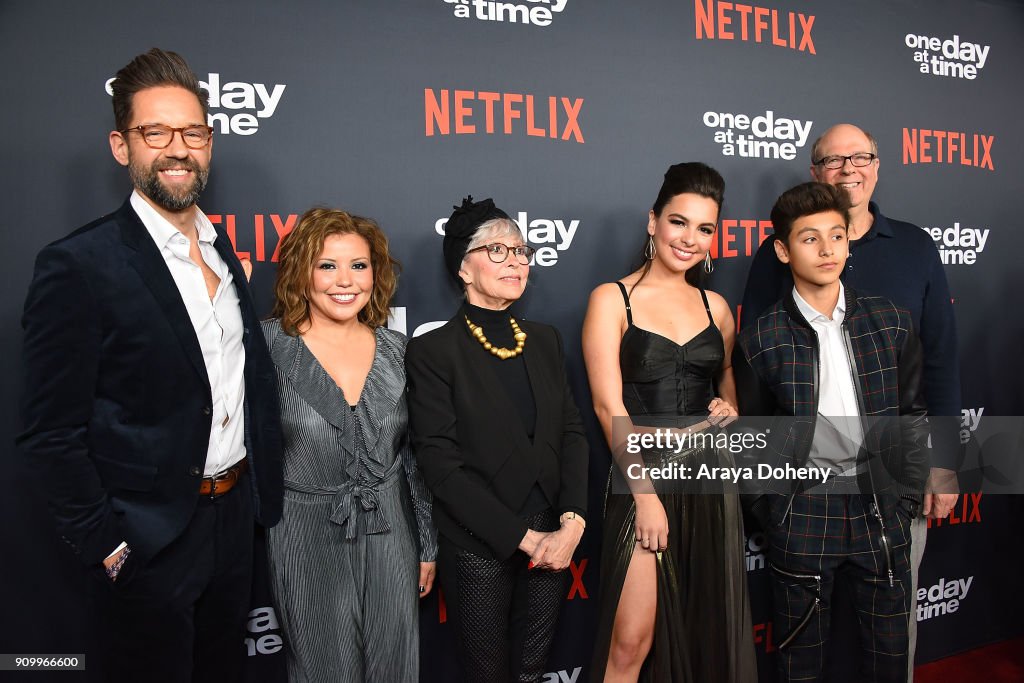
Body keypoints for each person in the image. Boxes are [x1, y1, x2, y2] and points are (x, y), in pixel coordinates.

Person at [17, 48, 282, 682]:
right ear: (121, 145)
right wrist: (108, 546)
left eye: (192, 132)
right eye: (154, 132)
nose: (176, 149)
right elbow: (51, 432)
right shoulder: (78, 264)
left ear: (210, 144)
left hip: (232, 527)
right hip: (147, 542)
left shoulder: (224, 257)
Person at [739, 123, 960, 677]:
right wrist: (775, 508)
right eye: (834, 160)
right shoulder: (763, 327)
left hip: (884, 502)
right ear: (785, 249)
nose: (849, 169)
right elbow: (756, 418)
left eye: (861, 157)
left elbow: (926, 384)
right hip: (803, 508)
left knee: (889, 650)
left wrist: (926, 475)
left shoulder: (893, 303)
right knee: (804, 656)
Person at [583, 162, 755, 682]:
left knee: (709, 629)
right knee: (630, 641)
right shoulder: (612, 299)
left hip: (710, 477)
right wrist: (645, 495)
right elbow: (606, 407)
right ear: (652, 220)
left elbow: (726, 380)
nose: (690, 239)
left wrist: (730, 406)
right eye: (679, 222)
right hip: (643, 476)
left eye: (705, 228)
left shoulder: (717, 307)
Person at [404, 196, 589, 682]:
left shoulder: (545, 339)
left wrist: (571, 525)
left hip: (554, 535)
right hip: (478, 541)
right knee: (486, 672)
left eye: (521, 251)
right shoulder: (432, 350)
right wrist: (524, 540)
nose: (516, 261)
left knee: (533, 668)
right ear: (463, 268)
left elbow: (571, 432)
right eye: (498, 251)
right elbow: (439, 464)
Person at [261, 208, 438, 681]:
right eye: (327, 265)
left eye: (359, 265)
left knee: (395, 665)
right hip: (303, 533)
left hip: (391, 530)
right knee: (321, 669)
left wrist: (427, 543)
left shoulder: (398, 351)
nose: (345, 281)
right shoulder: (267, 347)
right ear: (301, 272)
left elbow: (413, 459)